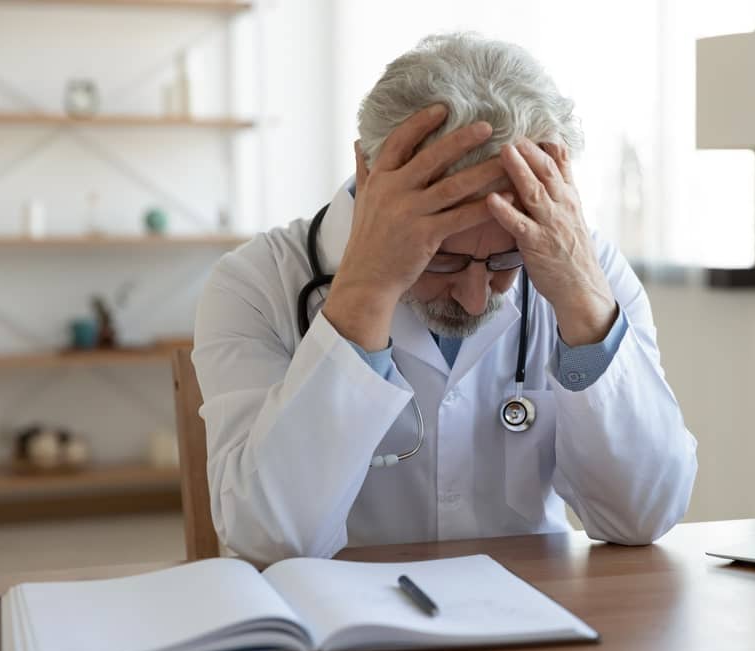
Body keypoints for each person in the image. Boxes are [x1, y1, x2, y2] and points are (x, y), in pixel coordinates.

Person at [193, 33, 697, 565]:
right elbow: (269, 540)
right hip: (344, 629)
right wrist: (367, 288)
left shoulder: (584, 269)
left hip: (531, 617)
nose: (477, 300)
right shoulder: (254, 285)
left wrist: (583, 300)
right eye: (443, 259)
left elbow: (644, 514)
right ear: (371, 178)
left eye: (506, 259)